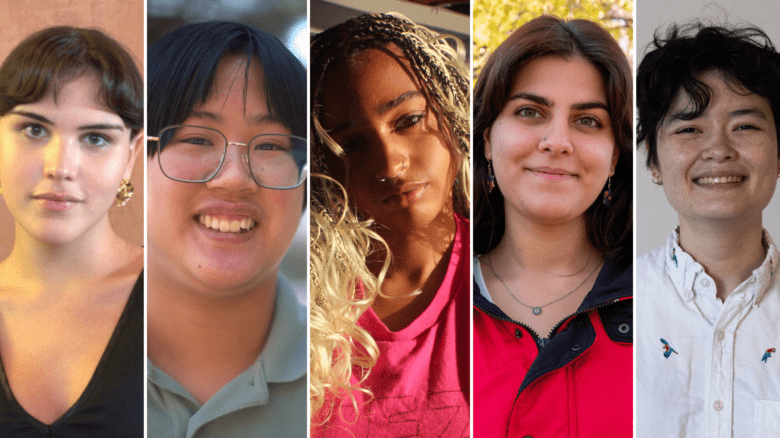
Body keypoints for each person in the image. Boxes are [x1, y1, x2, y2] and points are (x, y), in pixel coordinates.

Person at [309, 13, 471, 435]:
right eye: (353, 144)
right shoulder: (301, 301)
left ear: (451, 112)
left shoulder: (504, 273)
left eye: (408, 120)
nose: (390, 163)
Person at [472, 15, 633, 437]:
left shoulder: (665, 301)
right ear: (487, 138)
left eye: (588, 121)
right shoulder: (433, 304)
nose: (557, 141)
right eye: (530, 112)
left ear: (615, 155)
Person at [145, 22, 307, 437]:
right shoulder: (47, 357)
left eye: (270, 145)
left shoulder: (356, 378)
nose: (235, 178)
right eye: (197, 139)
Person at [636, 24, 780, 438]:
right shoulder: (616, 307)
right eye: (689, 129)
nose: (719, 149)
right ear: (654, 162)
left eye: (745, 126)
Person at [0, 27, 143, 437]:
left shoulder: (178, 296)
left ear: (129, 156)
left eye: (95, 138)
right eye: (34, 130)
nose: (60, 166)